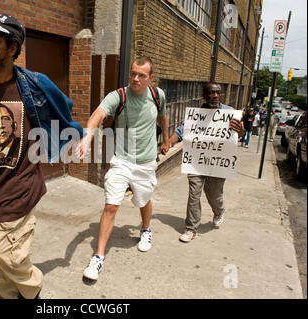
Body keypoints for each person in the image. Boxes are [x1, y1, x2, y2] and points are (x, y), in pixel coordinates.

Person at [0, 14, 84, 299]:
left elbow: (64, 109)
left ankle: (32, 290)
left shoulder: (34, 85)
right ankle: (10, 294)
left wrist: (66, 137)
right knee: (1, 255)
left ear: (12, 48)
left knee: (6, 254)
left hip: (21, 186)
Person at [77, 56, 170, 280]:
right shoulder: (118, 96)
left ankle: (146, 230)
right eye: (133, 73)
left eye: (141, 75)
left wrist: (166, 139)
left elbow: (163, 117)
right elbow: (98, 114)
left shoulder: (158, 96)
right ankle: (98, 257)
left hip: (146, 162)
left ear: (150, 78)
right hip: (121, 160)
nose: (136, 78)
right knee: (111, 206)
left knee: (143, 200)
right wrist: (88, 134)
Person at [167, 83, 243, 243]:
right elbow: (181, 130)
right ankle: (191, 228)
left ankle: (219, 211)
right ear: (204, 95)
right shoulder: (196, 114)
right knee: (194, 194)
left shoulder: (228, 112)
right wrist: (169, 142)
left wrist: (240, 130)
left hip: (218, 162)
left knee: (214, 194)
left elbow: (238, 135)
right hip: (196, 161)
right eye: (211, 92)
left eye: (217, 93)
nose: (215, 95)